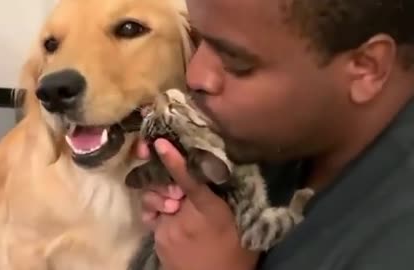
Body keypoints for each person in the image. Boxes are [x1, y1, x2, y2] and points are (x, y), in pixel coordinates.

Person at [133, 0, 414, 269]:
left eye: (236, 62)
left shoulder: (395, 244)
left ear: (366, 67)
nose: (196, 75)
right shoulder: (281, 135)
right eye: (198, 38)